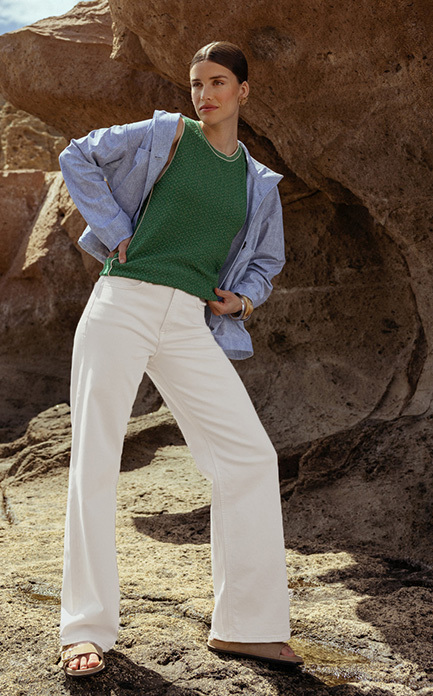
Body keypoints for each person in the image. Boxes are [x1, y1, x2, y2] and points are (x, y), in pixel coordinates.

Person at [57, 41, 303, 679]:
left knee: (249, 456)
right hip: (124, 301)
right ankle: (85, 630)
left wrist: (243, 298)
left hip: (191, 321)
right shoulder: (165, 135)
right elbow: (77, 155)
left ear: (244, 91)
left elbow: (267, 261)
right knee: (96, 458)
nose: (205, 94)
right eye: (196, 83)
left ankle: (247, 627)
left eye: (218, 82)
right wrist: (114, 229)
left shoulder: (257, 182)